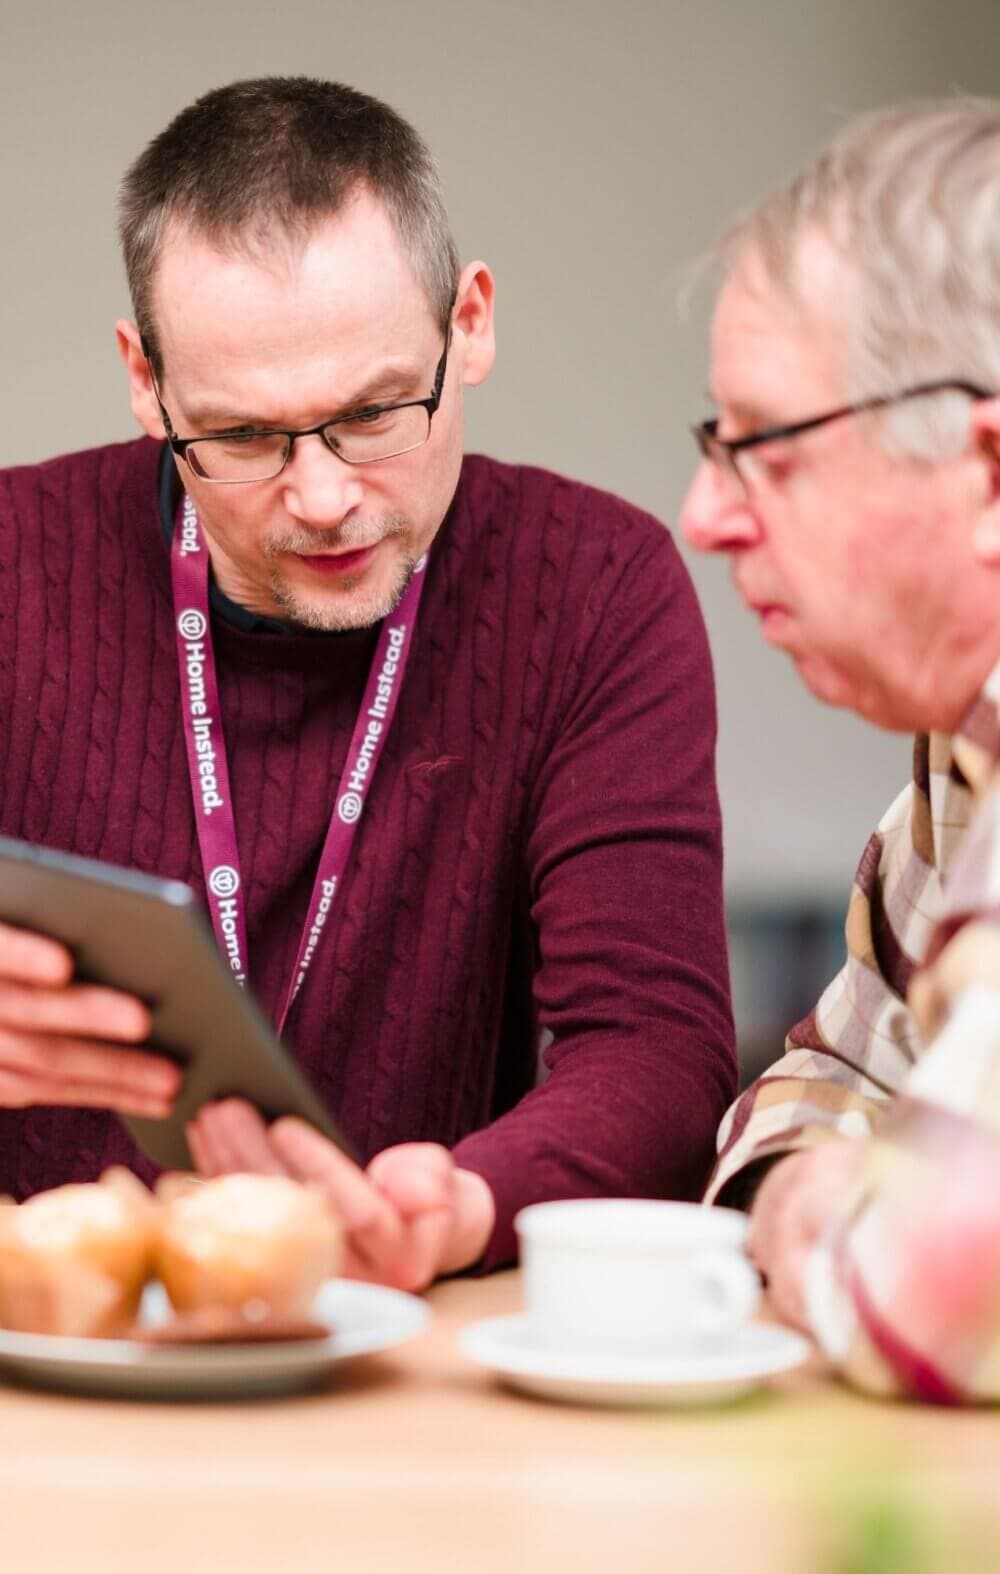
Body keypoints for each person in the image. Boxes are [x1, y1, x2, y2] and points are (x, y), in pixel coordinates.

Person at [0, 76, 736, 1290]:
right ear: (145, 381)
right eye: (243, 437)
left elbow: (655, 1047)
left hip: (415, 1332)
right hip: (53, 1337)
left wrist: (460, 1204)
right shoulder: (15, 560)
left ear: (471, 321)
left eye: (376, 412)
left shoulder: (593, 584)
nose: (324, 496)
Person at [682, 99, 1000, 1402]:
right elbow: (815, 1078)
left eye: (764, 448)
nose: (702, 515)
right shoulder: (959, 761)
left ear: (989, 471)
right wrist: (822, 1183)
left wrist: (833, 1211)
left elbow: (925, 1301)